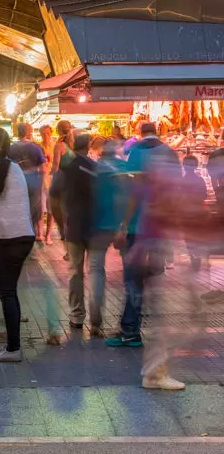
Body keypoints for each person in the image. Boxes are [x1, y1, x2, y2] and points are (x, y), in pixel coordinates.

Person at [107, 122, 185, 390]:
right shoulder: (168, 155)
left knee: (137, 286)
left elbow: (131, 194)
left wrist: (123, 226)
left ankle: (133, 334)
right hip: (150, 235)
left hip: (138, 232)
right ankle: (154, 370)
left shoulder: (136, 153)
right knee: (154, 297)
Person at [0, 126, 35, 363]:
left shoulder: (2, 166)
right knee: (9, 292)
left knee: (7, 293)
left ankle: (13, 348)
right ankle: (12, 346)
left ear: (1, 145)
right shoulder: (9, 166)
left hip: (13, 238)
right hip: (19, 237)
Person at [89, 138, 129, 337]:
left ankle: (96, 321)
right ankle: (126, 321)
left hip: (98, 225)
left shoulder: (94, 169)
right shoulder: (126, 168)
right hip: (124, 225)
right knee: (129, 275)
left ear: (100, 152)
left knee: (96, 270)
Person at [61, 131, 96, 331]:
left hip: (74, 225)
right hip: (94, 224)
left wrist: (62, 223)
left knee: (75, 272)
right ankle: (96, 317)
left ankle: (77, 315)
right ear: (88, 146)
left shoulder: (67, 168)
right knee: (96, 271)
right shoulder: (95, 167)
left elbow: (56, 196)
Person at [9, 122, 46, 240]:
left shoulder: (11, 148)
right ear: (29, 132)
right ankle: (31, 231)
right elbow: (43, 168)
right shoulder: (36, 147)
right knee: (34, 206)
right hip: (33, 181)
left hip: (16, 180)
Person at [45, 119, 73, 248]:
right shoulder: (73, 144)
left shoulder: (59, 146)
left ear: (58, 130)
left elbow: (56, 166)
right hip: (72, 182)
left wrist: (50, 177)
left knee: (57, 211)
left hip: (61, 182)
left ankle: (66, 242)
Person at [180, 155, 207, 270]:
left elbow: (179, 197)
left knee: (188, 237)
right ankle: (197, 257)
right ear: (196, 166)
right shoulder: (200, 180)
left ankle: (193, 257)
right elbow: (204, 195)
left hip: (186, 212)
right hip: (198, 211)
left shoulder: (182, 181)